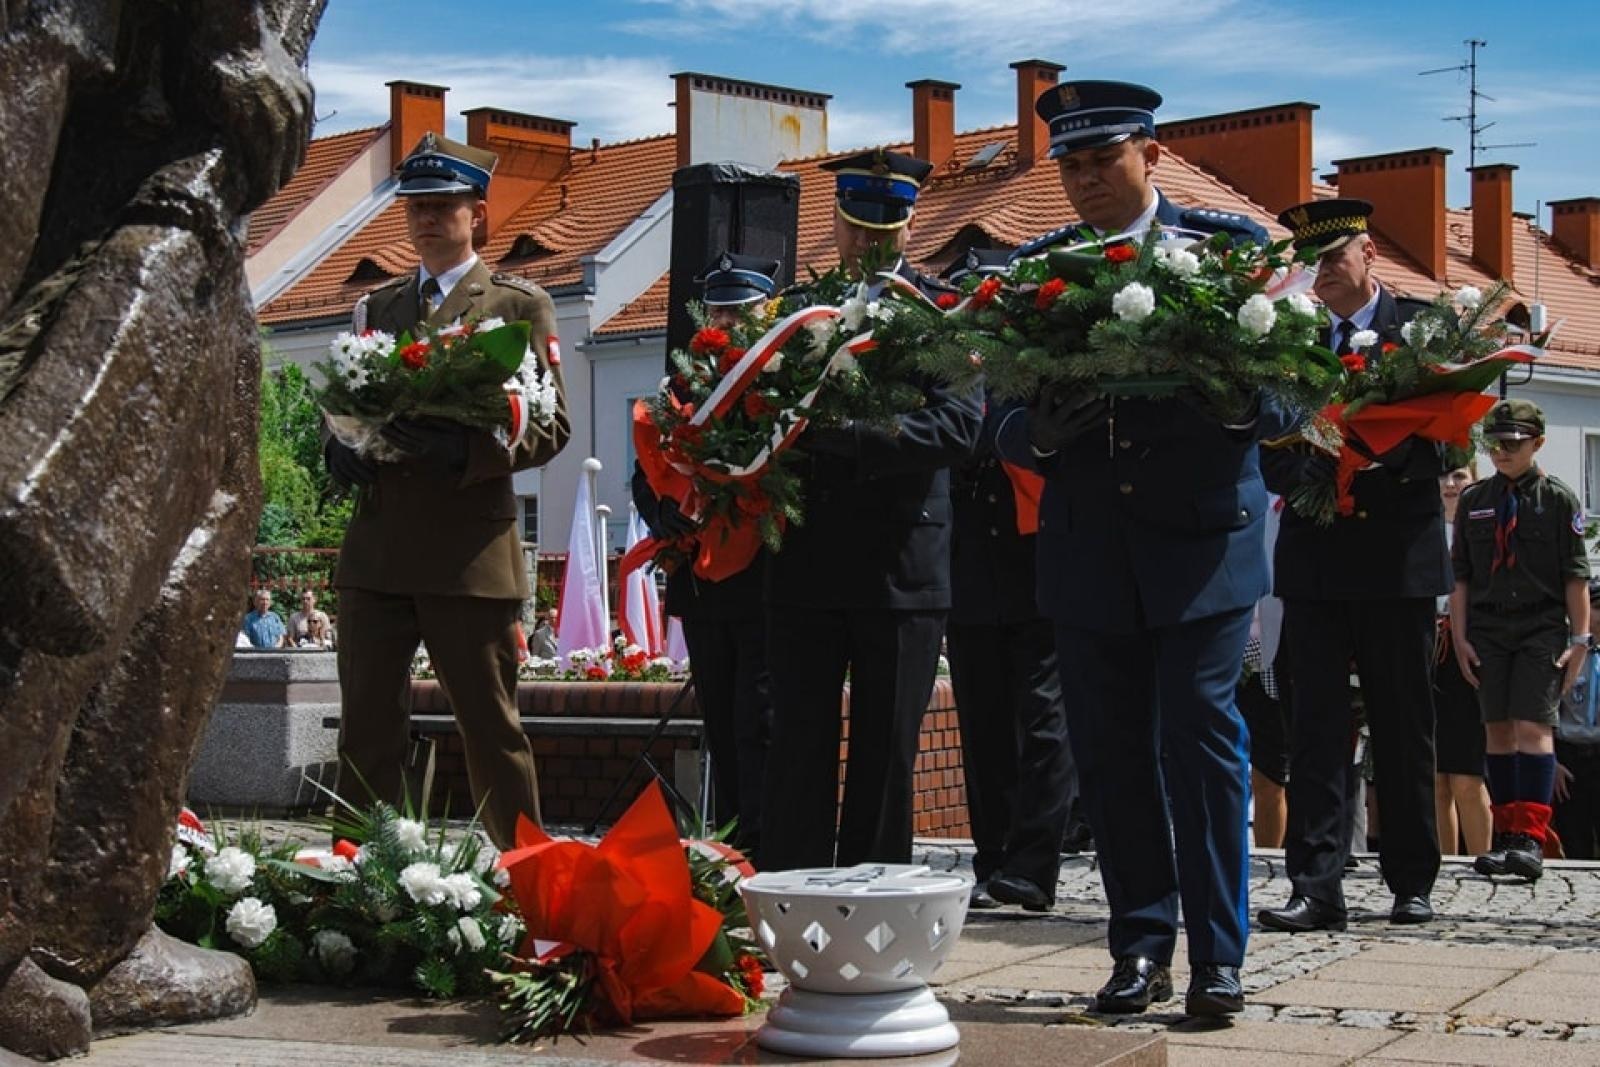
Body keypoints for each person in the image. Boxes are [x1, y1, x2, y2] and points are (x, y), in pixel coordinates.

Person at [994, 80, 1289, 1020]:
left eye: (1103, 160)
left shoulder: (1230, 256)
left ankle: (1219, 957)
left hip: (1202, 544)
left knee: (1202, 739)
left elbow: (1297, 387)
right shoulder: (1036, 269)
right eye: (1071, 166)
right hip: (1088, 550)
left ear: (1151, 155)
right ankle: (1140, 945)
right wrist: (1035, 431)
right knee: (1111, 751)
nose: (1085, 181)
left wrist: (1239, 404)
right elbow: (990, 412)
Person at [323, 133, 571, 850]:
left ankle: (531, 877)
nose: (426, 219)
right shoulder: (378, 307)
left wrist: (465, 450)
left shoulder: (518, 304)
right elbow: (346, 400)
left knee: (492, 730)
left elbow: (549, 426)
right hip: (377, 553)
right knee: (367, 730)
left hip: (468, 553)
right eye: (416, 207)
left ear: (478, 214)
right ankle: (358, 880)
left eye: (443, 206)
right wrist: (338, 449)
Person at [761, 148, 983, 873]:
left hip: (900, 566)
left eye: (884, 230)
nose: (868, 244)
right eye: (857, 228)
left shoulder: (938, 314)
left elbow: (960, 427)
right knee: (797, 751)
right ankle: (791, 899)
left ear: (910, 228)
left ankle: (874, 903)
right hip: (807, 560)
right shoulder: (797, 313)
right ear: (835, 222)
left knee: (886, 756)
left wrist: (855, 438)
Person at [1257, 198, 1444, 935]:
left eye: (1335, 257)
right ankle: (1317, 882)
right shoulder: (1290, 338)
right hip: (1316, 556)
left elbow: (1444, 444)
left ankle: (1411, 877)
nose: (1323, 273)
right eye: (1312, 261)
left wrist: (1365, 447)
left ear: (1368, 253)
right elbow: (1268, 447)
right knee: (1315, 726)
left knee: (1404, 721)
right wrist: (1309, 465)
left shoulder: (1423, 329)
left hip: (1396, 554)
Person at [939, 249, 1075, 912]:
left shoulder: (1032, 370)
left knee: (1045, 721)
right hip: (969, 568)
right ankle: (993, 857)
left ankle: (1033, 864)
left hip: (1036, 563)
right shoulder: (950, 371)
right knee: (983, 723)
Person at [633, 251, 781, 862]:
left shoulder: (779, 380)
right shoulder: (681, 388)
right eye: (719, 309)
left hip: (766, 575)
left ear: (764, 313)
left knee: (760, 719)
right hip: (701, 576)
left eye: (739, 310)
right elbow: (646, 472)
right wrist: (660, 510)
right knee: (720, 718)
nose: (727, 320)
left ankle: (766, 840)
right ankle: (729, 843)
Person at [1450, 399, 1591, 881]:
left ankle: (1531, 836)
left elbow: (1575, 576)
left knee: (1532, 729)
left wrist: (1582, 638)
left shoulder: (1557, 499)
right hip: (1488, 628)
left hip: (1540, 627)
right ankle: (1506, 835)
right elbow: (1462, 578)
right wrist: (1462, 636)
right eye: (1496, 443)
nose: (1503, 452)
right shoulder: (1475, 500)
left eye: (1514, 443)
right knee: (1497, 730)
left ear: (1538, 444)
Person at [1435, 461, 1492, 855]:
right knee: (1435, 777)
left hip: (1469, 650)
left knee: (1468, 777)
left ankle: (1480, 858)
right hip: (1426, 652)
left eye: (1458, 476)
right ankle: (1442, 862)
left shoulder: (1481, 530)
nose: (1450, 485)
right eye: (1443, 476)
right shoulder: (1421, 527)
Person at [1553, 578, 1600, 859]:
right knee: (1575, 839)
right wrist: (1552, 762)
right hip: (1569, 758)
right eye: (1596, 607)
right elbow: (1546, 710)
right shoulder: (1566, 655)